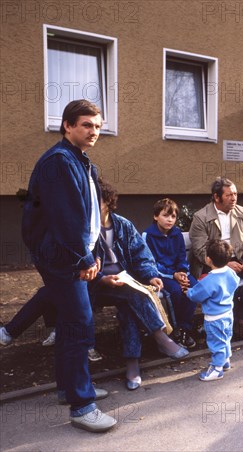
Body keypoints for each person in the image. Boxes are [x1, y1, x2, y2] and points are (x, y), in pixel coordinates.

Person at [18, 99, 115, 432]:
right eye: (87, 125)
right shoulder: (59, 162)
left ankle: (68, 389)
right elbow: (65, 219)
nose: (94, 132)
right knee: (79, 324)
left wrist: (96, 250)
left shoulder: (82, 161)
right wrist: (83, 258)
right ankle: (81, 405)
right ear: (68, 126)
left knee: (70, 323)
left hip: (74, 252)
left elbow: (89, 216)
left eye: (98, 126)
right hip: (61, 256)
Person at [93, 181, 189, 390]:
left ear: (108, 201)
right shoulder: (85, 228)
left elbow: (141, 256)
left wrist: (150, 275)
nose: (90, 203)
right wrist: (101, 277)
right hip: (97, 284)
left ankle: (132, 364)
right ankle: (160, 338)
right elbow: (82, 262)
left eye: (96, 198)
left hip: (124, 281)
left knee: (129, 305)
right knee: (134, 295)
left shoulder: (123, 225)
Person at [189, 177, 243, 340]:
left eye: (235, 194)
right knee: (226, 278)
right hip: (214, 264)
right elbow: (200, 250)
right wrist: (225, 264)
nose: (234, 198)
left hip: (240, 258)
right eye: (229, 195)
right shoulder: (201, 217)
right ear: (216, 197)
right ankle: (241, 323)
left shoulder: (242, 212)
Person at [143, 198, 198, 348]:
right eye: (165, 215)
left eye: (173, 216)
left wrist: (182, 272)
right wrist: (172, 275)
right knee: (175, 291)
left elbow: (182, 256)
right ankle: (174, 329)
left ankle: (184, 328)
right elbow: (151, 263)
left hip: (177, 273)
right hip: (160, 275)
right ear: (156, 216)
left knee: (192, 287)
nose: (169, 220)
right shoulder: (148, 235)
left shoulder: (177, 233)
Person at [187, 239, 240, 381]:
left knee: (216, 343)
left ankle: (217, 369)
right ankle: (225, 361)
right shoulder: (230, 272)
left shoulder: (208, 281)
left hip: (214, 318)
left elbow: (195, 295)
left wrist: (188, 291)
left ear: (208, 259)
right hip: (228, 313)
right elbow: (236, 283)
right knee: (225, 338)